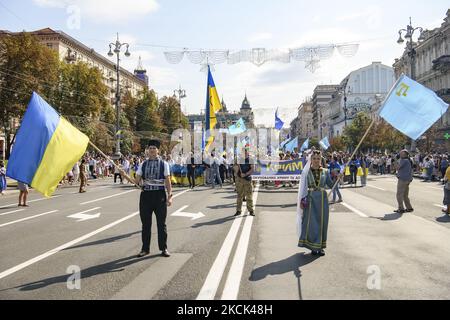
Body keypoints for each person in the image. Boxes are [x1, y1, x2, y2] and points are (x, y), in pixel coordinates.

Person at [135, 140, 172, 258]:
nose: (151, 150)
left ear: (158, 150)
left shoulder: (163, 164)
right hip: (146, 196)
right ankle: (145, 249)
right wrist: (127, 176)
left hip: (159, 195)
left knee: (161, 224)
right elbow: (137, 181)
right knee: (146, 224)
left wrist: (170, 196)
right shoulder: (143, 164)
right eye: (150, 148)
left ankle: (164, 248)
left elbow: (167, 180)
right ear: (147, 150)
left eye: (154, 148)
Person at [298, 150, 334, 256]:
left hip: (322, 200)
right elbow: (302, 188)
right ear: (311, 160)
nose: (316, 160)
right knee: (311, 223)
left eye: (318, 158)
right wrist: (301, 200)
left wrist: (338, 178)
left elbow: (331, 185)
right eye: (314, 158)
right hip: (310, 199)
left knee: (322, 222)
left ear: (321, 159)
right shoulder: (306, 172)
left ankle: (320, 246)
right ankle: (313, 246)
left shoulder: (326, 171)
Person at [234, 149, 255, 217]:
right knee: (239, 195)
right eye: (243, 153)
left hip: (247, 180)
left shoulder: (250, 159)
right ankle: (238, 210)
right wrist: (236, 167)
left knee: (249, 196)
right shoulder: (238, 160)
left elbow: (252, 169)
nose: (244, 154)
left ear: (247, 152)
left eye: (245, 152)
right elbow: (235, 170)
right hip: (240, 180)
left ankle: (251, 210)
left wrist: (245, 174)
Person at [395, 149, 414, 214]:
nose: (400, 154)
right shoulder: (409, 160)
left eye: (401, 153)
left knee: (399, 194)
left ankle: (401, 209)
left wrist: (396, 160)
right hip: (408, 179)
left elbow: (397, 167)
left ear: (405, 154)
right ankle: (409, 208)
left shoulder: (404, 160)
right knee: (405, 195)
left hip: (403, 179)